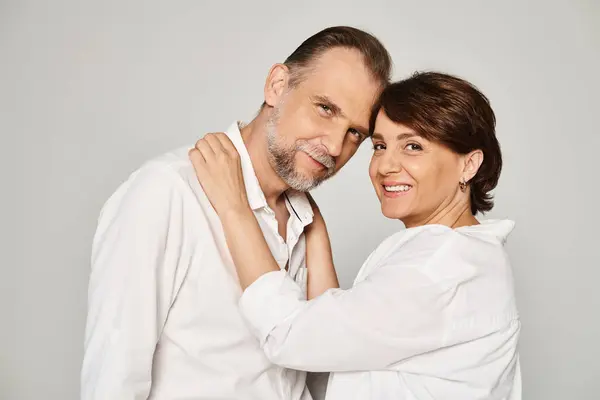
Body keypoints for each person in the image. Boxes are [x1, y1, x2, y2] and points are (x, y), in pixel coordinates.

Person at [80, 26, 392, 399]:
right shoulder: (167, 192)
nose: (334, 145)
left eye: (355, 132)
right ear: (277, 85)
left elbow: (322, 370)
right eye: (325, 108)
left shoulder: (305, 223)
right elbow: (113, 380)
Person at [189, 71, 521, 399]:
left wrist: (234, 206)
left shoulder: (439, 267)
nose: (385, 165)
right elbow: (331, 363)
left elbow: (291, 337)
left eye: (413, 146)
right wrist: (314, 229)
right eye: (379, 145)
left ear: (469, 164)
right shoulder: (468, 255)